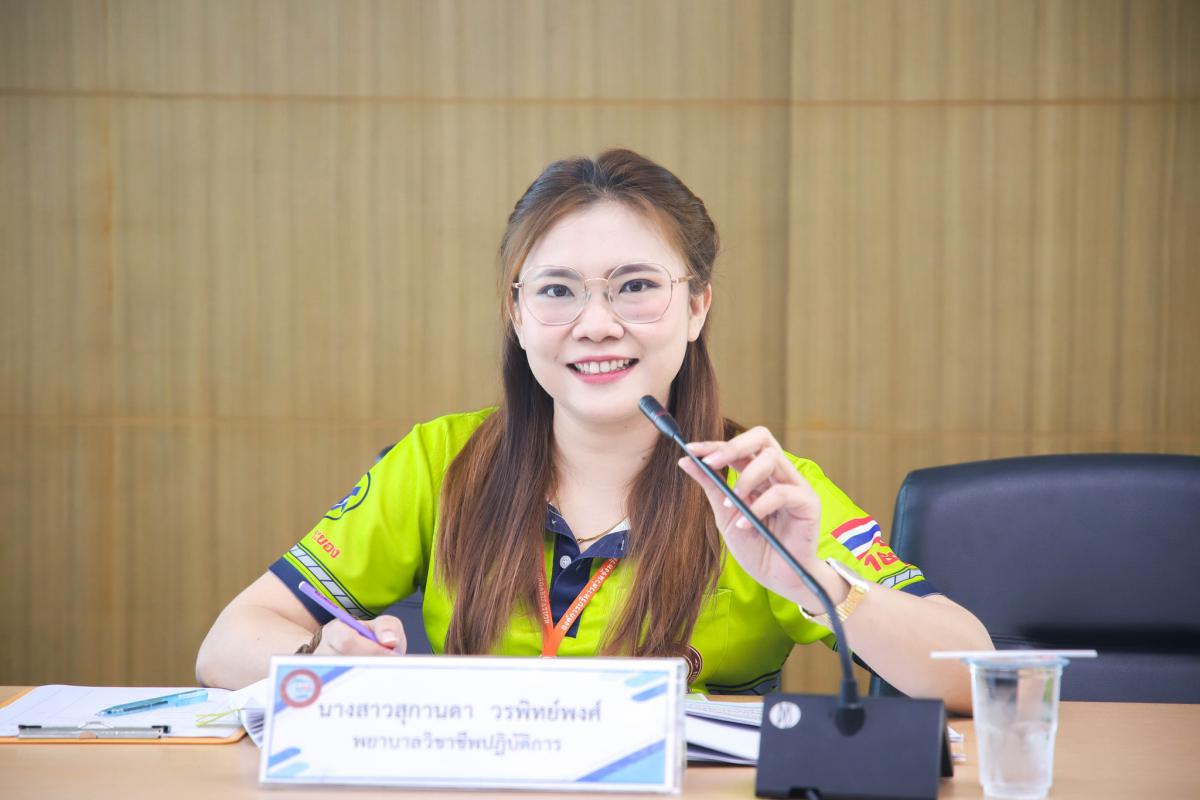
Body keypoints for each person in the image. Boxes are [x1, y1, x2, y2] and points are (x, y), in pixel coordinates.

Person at [195, 149, 992, 711]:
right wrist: (321, 663)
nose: (597, 324)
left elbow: (972, 670)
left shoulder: (764, 491)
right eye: (558, 291)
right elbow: (228, 642)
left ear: (698, 306)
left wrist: (817, 581)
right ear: (516, 314)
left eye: (636, 286)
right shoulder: (438, 461)